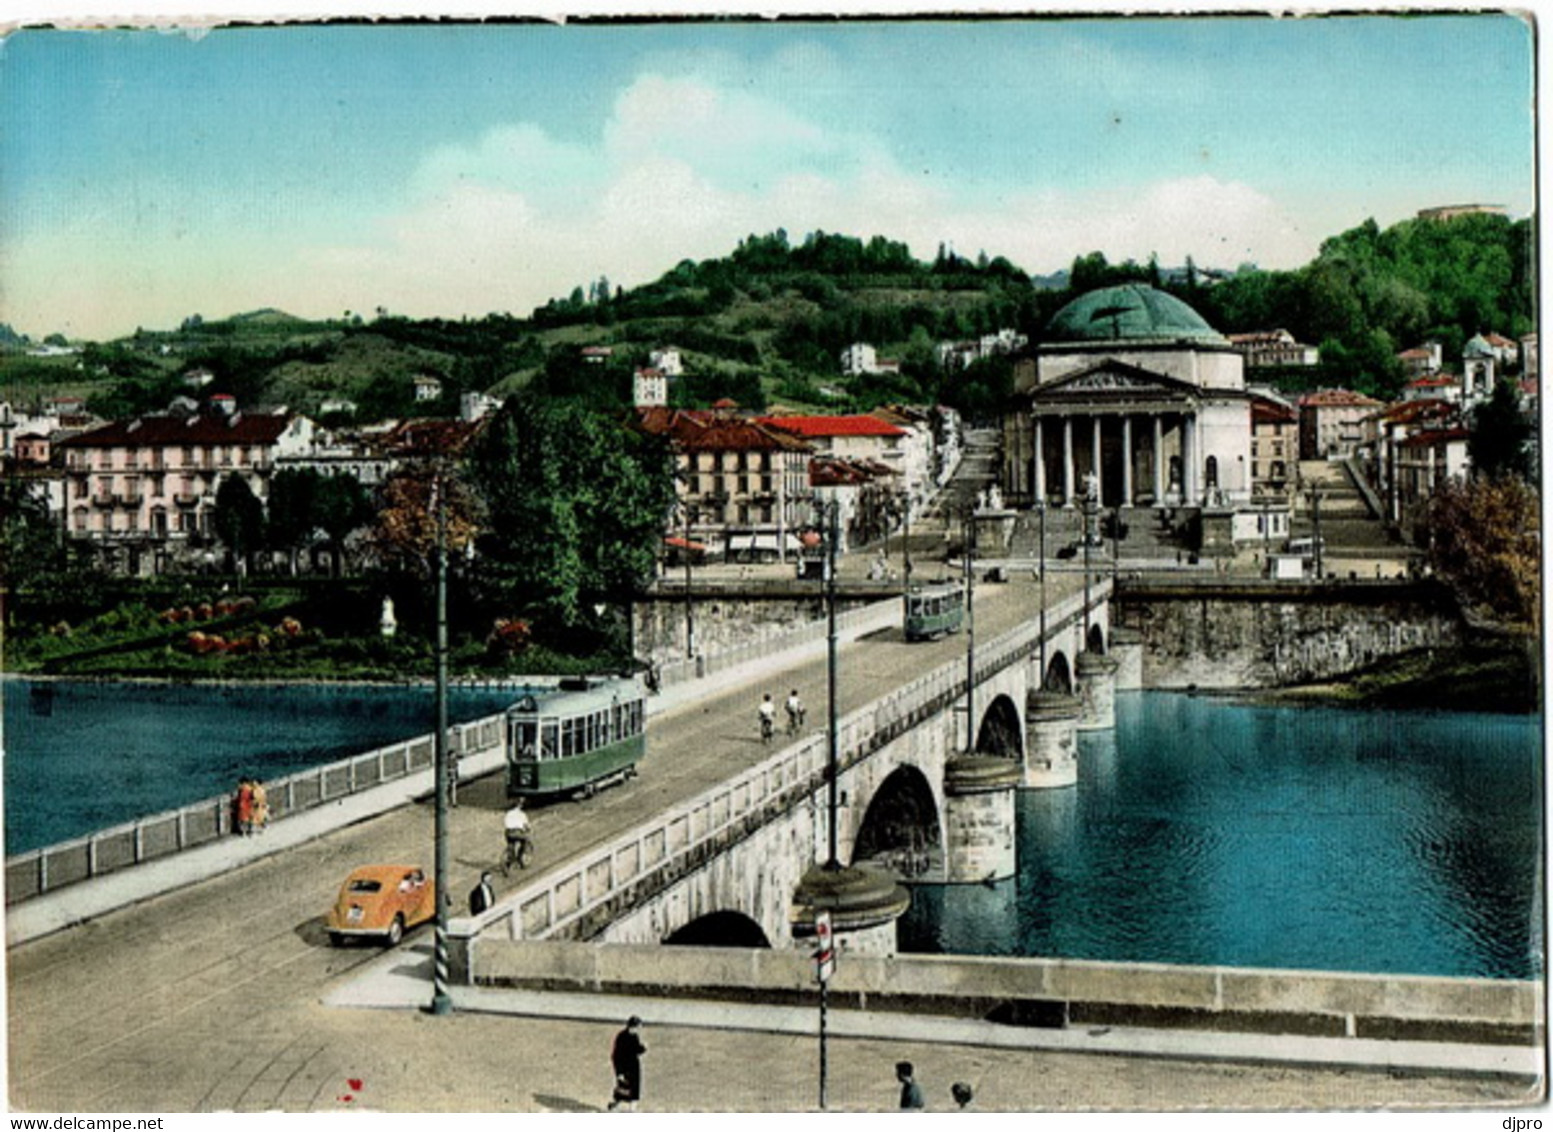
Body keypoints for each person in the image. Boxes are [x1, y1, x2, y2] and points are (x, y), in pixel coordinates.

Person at [608, 1016, 646, 1111]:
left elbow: (635, 1050)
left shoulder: (635, 1036)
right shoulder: (621, 1037)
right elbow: (616, 1056)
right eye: (638, 1027)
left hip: (634, 1067)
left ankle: (632, 1110)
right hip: (625, 1068)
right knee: (622, 1091)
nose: (639, 1029)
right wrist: (619, 1072)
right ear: (632, 1026)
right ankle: (613, 1106)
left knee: (634, 1092)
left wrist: (643, 1048)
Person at [504, 800, 532, 871]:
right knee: (525, 841)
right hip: (518, 832)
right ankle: (520, 858)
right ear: (519, 806)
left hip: (509, 832)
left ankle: (510, 859)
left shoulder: (508, 813)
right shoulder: (522, 814)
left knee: (511, 844)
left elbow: (506, 823)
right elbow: (526, 825)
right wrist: (528, 829)